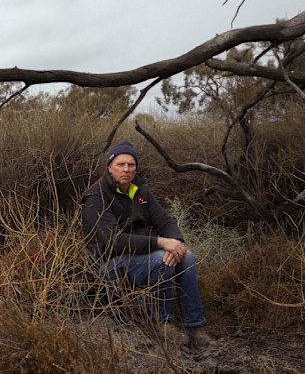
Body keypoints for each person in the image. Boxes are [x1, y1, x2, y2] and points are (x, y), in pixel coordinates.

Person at [81, 140, 213, 347]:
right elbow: (114, 241)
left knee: (186, 257)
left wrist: (176, 242)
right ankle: (163, 322)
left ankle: (195, 325)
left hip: (143, 256)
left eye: (131, 165)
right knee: (163, 260)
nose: (126, 169)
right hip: (109, 264)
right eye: (120, 164)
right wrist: (161, 242)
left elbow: (165, 221)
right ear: (109, 168)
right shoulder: (94, 197)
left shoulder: (139, 192)